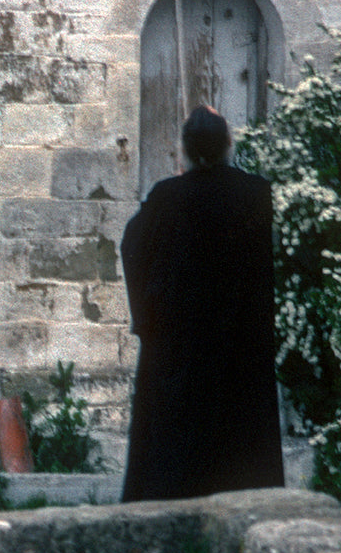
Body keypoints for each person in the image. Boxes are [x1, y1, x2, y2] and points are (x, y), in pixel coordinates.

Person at [120, 105, 284, 502]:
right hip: (238, 341)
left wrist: (148, 319)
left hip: (179, 343)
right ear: (229, 144)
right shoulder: (256, 193)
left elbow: (132, 248)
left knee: (176, 450)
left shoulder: (165, 196)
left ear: (185, 150)